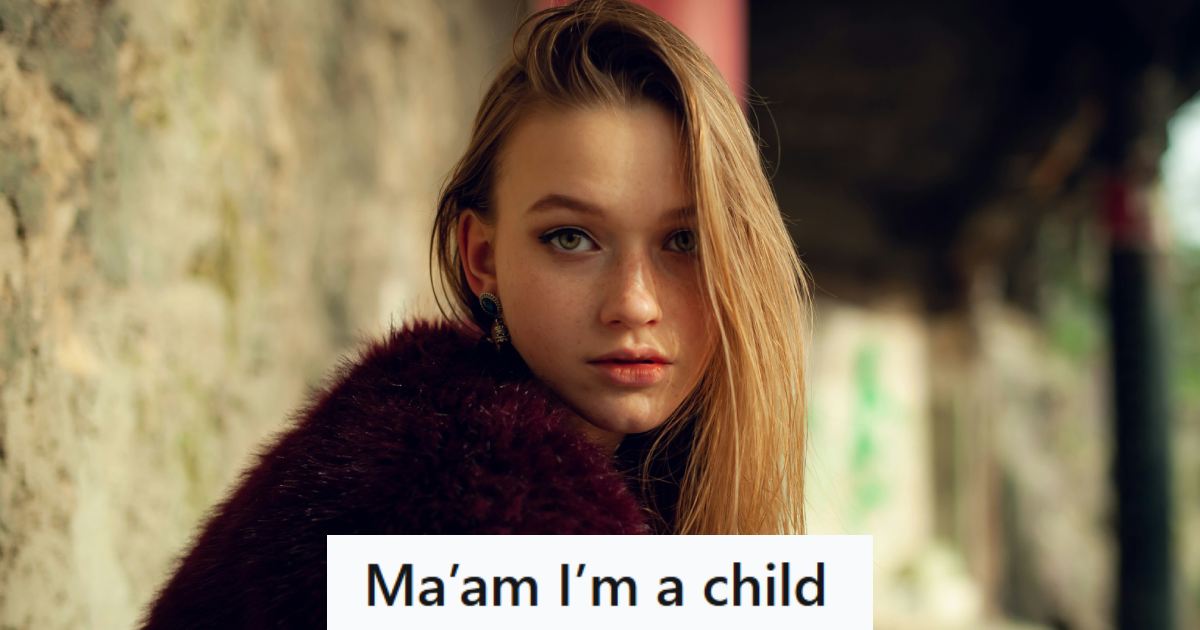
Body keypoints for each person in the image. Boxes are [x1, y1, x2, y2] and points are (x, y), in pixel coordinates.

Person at [141, 0, 810, 626]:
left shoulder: (619, 484)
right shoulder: (464, 510)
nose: (634, 302)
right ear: (481, 258)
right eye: (571, 238)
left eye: (685, 241)